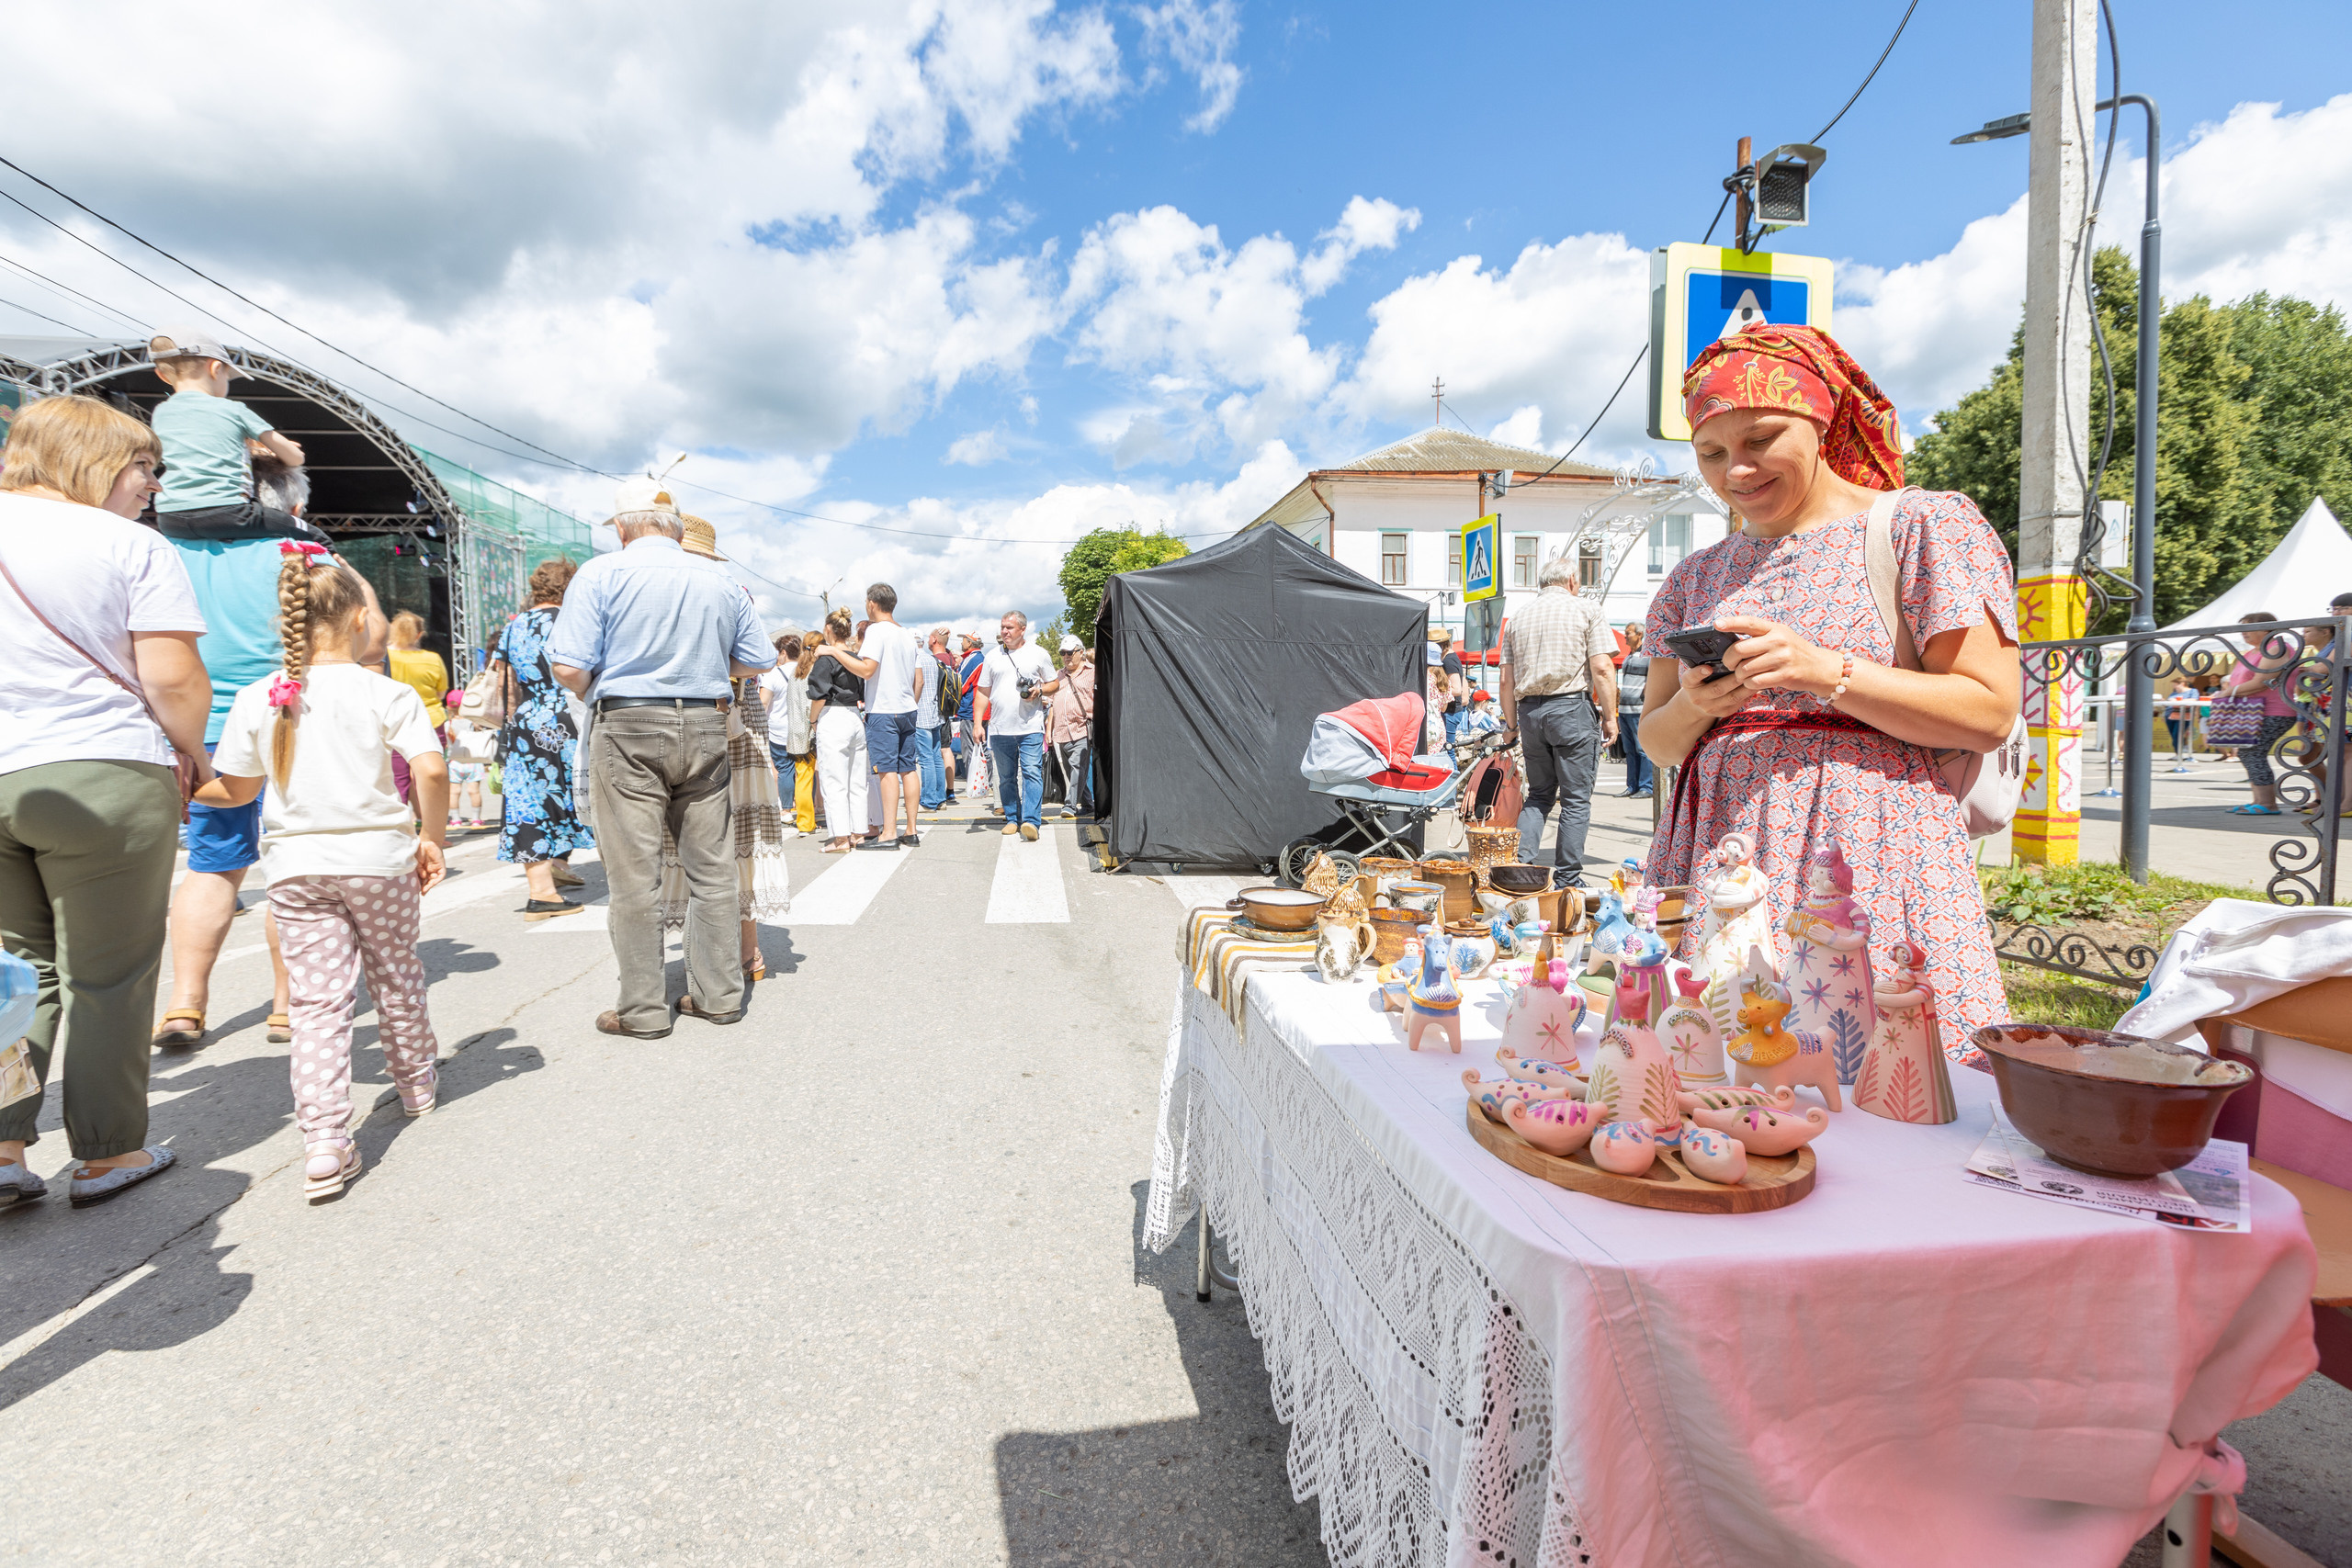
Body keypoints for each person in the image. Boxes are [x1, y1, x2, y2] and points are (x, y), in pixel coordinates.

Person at [1639, 322, 2020, 1049]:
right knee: (1715, 1077)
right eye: (1712, 453)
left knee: (1883, 1082)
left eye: (1761, 439)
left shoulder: (1919, 526)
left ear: (1823, 420)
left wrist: (1827, 671)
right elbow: (1656, 740)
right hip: (1720, 855)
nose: (1735, 471)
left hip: (1869, 853)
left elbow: (1990, 709)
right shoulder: (1696, 575)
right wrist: (1697, 704)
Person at [0, 395, 211, 1208]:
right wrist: (194, 754)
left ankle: (6, 1142)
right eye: (141, 466)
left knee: (15, 971)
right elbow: (170, 678)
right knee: (109, 972)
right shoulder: (129, 544)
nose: (151, 485)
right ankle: (107, 1151)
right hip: (103, 769)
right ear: (88, 459)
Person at [195, 547, 448, 1201]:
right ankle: (417, 1081)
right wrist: (433, 837)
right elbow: (431, 769)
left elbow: (237, 789)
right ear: (364, 620)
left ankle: (325, 1143)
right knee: (396, 972)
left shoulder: (260, 698)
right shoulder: (386, 690)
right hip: (379, 863)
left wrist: (183, 786)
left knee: (316, 1004)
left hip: (296, 870)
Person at [147, 336, 352, 1050]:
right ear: (288, 501)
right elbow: (352, 640)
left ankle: (183, 1003)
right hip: (288, 718)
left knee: (213, 864)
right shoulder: (300, 550)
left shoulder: (162, 547)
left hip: (203, 723)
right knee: (290, 859)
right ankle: (287, 1004)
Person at [548, 481, 771, 1036]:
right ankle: (720, 996)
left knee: (634, 876)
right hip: (703, 723)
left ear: (622, 529)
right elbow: (758, 658)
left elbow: (569, 667)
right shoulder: (721, 579)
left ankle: (644, 1009)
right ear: (675, 528)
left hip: (627, 721)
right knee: (713, 869)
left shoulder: (601, 574)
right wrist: (706, 673)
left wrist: (605, 687)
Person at [1499, 553, 1617, 886]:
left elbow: (1505, 680)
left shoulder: (1518, 618)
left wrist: (1511, 727)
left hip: (1530, 713)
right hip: (1570, 709)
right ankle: (1568, 879)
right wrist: (1611, 717)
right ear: (1572, 582)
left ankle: (1518, 872)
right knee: (1576, 799)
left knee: (1539, 795)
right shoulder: (1586, 609)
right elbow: (1603, 668)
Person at [491, 557, 594, 919]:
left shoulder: (514, 626)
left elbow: (507, 686)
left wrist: (510, 726)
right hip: (569, 715)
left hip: (527, 718)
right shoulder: (571, 619)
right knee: (585, 791)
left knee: (530, 801)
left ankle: (543, 889)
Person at [829, 584, 922, 850]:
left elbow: (867, 670)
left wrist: (837, 651)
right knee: (908, 768)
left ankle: (889, 833)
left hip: (883, 708)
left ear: (871, 604)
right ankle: (911, 830)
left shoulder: (875, 631)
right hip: (906, 708)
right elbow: (918, 679)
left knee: (887, 770)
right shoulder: (905, 634)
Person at [978, 611, 1059, 840]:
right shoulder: (992, 656)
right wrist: (977, 723)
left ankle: (1031, 822)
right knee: (1006, 777)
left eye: (1010, 628)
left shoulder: (1038, 653)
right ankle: (1013, 818)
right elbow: (983, 692)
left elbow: (1054, 683)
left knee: (1032, 773)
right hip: (1000, 729)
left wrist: (1040, 690)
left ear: (1022, 629)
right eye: (1003, 627)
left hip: (1030, 727)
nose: (1004, 631)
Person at [2222, 611, 2303, 816]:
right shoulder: (2254, 651)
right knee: (2248, 753)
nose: (2243, 633)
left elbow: (2260, 683)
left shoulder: (2277, 648)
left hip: (2272, 711)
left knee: (2253, 752)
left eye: (2248, 627)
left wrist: (2225, 693)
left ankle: (2267, 803)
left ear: (2266, 629)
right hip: (2252, 711)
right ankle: (2258, 800)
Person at [808, 609, 870, 852]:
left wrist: (813, 721)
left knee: (834, 781)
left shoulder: (826, 658)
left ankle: (841, 838)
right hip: (855, 717)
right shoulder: (854, 656)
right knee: (857, 780)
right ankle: (858, 833)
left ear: (828, 629)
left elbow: (818, 696)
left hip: (833, 717)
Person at [384, 611, 449, 806]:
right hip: (431, 720)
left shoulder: (384, 657)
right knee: (429, 774)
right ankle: (433, 823)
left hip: (395, 721)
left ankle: (404, 820)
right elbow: (441, 693)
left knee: (398, 777)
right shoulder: (432, 658)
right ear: (419, 634)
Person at [761, 632, 816, 835]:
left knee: (785, 770)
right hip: (803, 728)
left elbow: (764, 703)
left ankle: (786, 810)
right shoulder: (807, 669)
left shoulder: (773, 675)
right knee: (806, 772)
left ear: (783, 652)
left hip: (779, 730)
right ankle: (810, 810)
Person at [1044, 635, 1096, 818]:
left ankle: (1070, 806)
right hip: (1061, 731)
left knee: (1077, 769)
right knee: (1072, 772)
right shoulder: (1058, 675)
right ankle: (1088, 804)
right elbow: (1051, 703)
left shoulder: (1093, 672)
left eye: (1070, 652)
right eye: (1062, 653)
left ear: (1080, 652)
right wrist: (1048, 729)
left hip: (1082, 729)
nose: (1066, 656)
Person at [915, 626, 951, 811]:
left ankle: (929, 799)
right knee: (936, 756)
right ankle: (939, 798)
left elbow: (917, 683)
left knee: (926, 758)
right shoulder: (932, 660)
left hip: (920, 714)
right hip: (936, 713)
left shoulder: (915, 659)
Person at [1618, 623, 1654, 797]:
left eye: (1628, 634)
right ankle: (1632, 785)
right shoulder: (1629, 656)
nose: (1625, 637)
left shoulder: (1647, 655)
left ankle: (1646, 787)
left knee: (1642, 749)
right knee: (1630, 750)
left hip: (1638, 708)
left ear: (1639, 634)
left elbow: (1652, 680)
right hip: (1624, 709)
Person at [927, 626, 960, 798]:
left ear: (933, 640)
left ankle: (936, 790)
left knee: (934, 752)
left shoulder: (933, 660)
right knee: (946, 750)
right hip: (946, 710)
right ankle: (950, 790)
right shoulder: (949, 659)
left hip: (934, 710)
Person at [958, 633, 989, 799]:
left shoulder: (973, 659)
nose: (961, 642)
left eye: (963, 639)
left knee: (970, 748)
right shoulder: (982, 658)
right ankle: (985, 781)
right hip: (982, 709)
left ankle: (974, 782)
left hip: (971, 709)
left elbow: (960, 683)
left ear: (970, 643)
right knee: (983, 747)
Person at [1431, 626, 1466, 746]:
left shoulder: (1448, 660)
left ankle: (1450, 766)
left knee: (1447, 748)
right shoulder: (1449, 657)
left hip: (1450, 712)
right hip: (1452, 711)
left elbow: (1457, 689)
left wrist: (1434, 691)